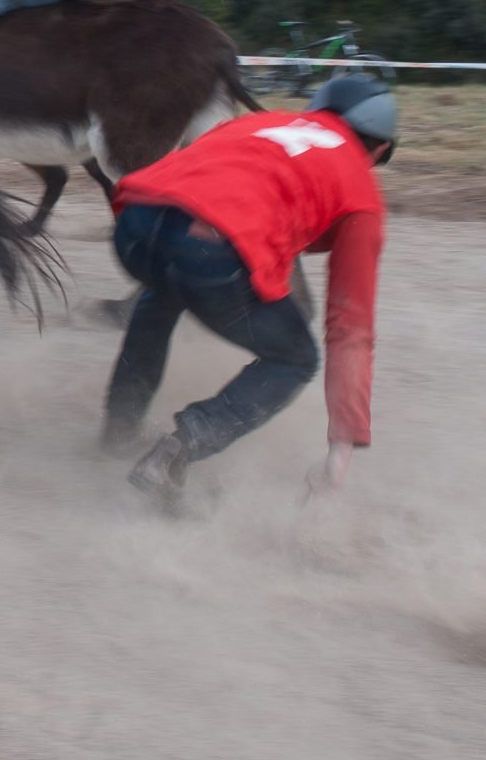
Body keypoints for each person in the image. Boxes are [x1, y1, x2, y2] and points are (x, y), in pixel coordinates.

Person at [103, 75, 397, 501]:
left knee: (164, 289)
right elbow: (351, 328)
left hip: (134, 224)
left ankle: (118, 427)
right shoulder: (362, 192)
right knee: (295, 359)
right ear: (381, 148)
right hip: (206, 251)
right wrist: (340, 449)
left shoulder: (262, 124)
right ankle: (175, 454)